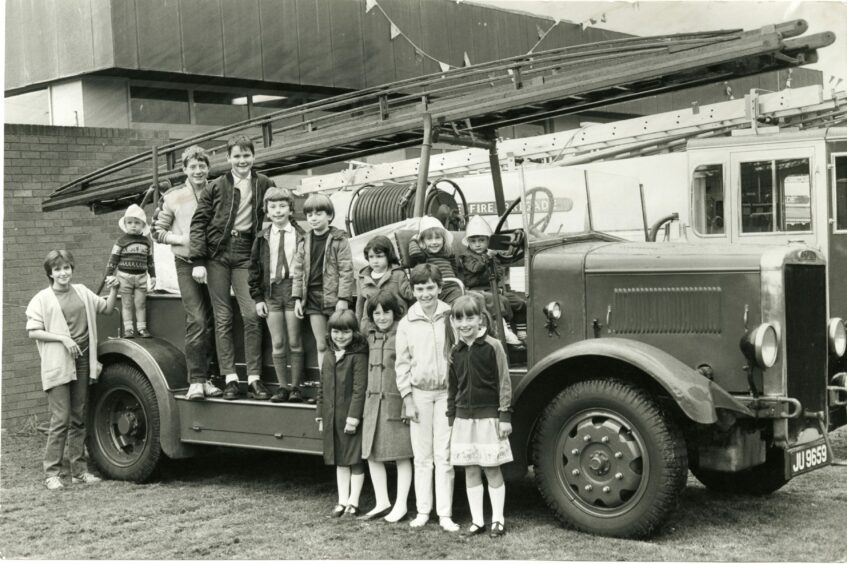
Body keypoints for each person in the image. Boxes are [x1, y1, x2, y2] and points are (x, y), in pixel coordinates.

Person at [189, 134, 275, 401]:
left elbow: (280, 210)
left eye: (246, 155)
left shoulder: (265, 183)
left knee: (251, 315)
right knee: (223, 317)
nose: (242, 161)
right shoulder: (216, 186)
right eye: (236, 156)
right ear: (228, 159)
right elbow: (199, 223)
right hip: (218, 254)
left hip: (247, 254)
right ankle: (229, 378)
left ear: (253, 157)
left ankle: (254, 378)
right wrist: (198, 261)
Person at [26, 250, 119, 490]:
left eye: (66, 267)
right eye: (57, 269)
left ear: (71, 269)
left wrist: (115, 289)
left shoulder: (82, 292)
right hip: (58, 363)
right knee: (61, 419)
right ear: (50, 273)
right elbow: (33, 331)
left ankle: (79, 472)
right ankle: (52, 473)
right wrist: (62, 339)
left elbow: (107, 309)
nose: (63, 273)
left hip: (82, 362)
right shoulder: (42, 298)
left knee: (79, 417)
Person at [152, 145, 221, 400]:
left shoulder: (219, 191)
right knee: (197, 319)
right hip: (186, 262)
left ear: (209, 168)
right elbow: (156, 231)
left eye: (202, 166)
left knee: (216, 320)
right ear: (184, 170)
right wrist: (180, 239)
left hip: (216, 263)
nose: (198, 170)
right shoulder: (173, 196)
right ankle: (196, 380)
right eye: (192, 166)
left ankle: (212, 378)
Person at [395, 263, 460, 532]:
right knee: (422, 457)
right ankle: (423, 511)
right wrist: (407, 398)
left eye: (430, 288)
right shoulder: (407, 322)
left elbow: (458, 355)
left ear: (439, 288)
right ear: (413, 290)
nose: (425, 294)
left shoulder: (450, 316)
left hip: (446, 393)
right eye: (420, 289)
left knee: (443, 455)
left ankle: (445, 515)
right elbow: (402, 363)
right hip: (419, 395)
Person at [446, 294, 513, 538]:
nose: (465, 324)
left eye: (470, 318)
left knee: (491, 468)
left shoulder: (493, 346)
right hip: (464, 419)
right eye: (459, 319)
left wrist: (504, 415)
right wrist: (452, 419)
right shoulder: (455, 351)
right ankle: (477, 521)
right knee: (471, 470)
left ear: (480, 319)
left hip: (489, 418)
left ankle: (498, 520)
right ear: (453, 321)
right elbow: (452, 388)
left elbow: (504, 382)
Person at [359, 290, 414, 523]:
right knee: (372, 455)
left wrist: (406, 404)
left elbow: (410, 369)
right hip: (372, 403)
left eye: (386, 312)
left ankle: (401, 504)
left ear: (396, 312)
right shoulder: (369, 334)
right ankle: (382, 501)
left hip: (395, 402)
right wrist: (363, 298)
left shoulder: (404, 333)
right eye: (377, 313)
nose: (381, 317)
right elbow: (361, 318)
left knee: (401, 456)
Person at [248, 187, 306, 403]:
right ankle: (282, 387)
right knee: (278, 342)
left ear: (291, 210)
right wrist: (258, 298)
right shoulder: (262, 237)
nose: (278, 211)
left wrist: (300, 296)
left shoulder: (301, 235)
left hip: (292, 291)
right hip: (271, 293)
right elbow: (254, 269)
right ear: (267, 211)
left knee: (294, 340)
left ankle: (296, 387)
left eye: (283, 206)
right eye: (273, 207)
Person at [291, 193, 354, 367]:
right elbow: (298, 271)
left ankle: (340, 385)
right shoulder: (304, 241)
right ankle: (324, 387)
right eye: (310, 215)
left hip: (333, 298)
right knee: (321, 344)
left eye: (318, 214)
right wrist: (297, 298)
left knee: (340, 343)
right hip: (311, 298)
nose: (313, 218)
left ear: (329, 215)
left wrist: (343, 299)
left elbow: (346, 270)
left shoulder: (339, 239)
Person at [315, 310, 368, 518]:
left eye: (346, 332)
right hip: (331, 418)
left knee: (354, 460)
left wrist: (354, 418)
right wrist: (320, 414)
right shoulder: (328, 354)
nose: (340, 336)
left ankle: (354, 502)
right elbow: (322, 386)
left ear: (354, 333)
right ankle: (342, 500)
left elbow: (359, 390)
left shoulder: (358, 356)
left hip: (349, 419)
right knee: (340, 460)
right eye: (336, 332)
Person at [457, 215, 524, 346]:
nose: (477, 244)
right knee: (500, 301)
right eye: (473, 241)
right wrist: (487, 257)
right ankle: (505, 331)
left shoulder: (493, 255)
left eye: (481, 240)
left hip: (493, 288)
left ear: (488, 241)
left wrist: (492, 261)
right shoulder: (467, 257)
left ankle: (522, 331)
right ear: (469, 243)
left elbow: (498, 272)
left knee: (520, 302)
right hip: (476, 290)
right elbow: (475, 269)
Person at [105, 204, 156, 338]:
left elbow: (150, 261)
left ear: (143, 225)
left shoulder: (146, 242)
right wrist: (109, 275)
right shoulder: (121, 241)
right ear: (125, 225)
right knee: (126, 303)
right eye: (130, 222)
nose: (133, 225)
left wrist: (153, 276)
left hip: (141, 277)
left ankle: (142, 328)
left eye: (137, 223)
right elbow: (113, 259)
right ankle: (129, 329)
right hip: (124, 277)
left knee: (140, 303)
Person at [354, 235, 413, 334]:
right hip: (370, 329)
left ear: (388, 256)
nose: (375, 261)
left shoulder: (398, 274)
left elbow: (410, 298)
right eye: (371, 257)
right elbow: (359, 305)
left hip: (396, 326)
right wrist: (357, 328)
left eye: (379, 256)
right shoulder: (362, 278)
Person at [407, 216, 462, 304]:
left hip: (452, 287)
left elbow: (454, 268)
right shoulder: (424, 254)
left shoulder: (447, 251)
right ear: (423, 241)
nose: (434, 242)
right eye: (429, 239)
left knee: (463, 302)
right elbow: (414, 252)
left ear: (443, 239)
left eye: (437, 238)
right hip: (433, 289)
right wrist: (414, 239)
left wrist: (456, 281)